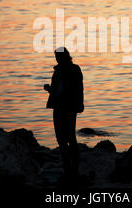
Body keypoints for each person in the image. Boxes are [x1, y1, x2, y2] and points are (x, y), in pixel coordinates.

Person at [44, 47, 84, 177]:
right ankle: (71, 167)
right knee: (66, 137)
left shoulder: (67, 70)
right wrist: (50, 89)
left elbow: (72, 90)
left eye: (57, 57)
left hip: (65, 107)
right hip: (65, 106)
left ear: (63, 57)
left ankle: (71, 168)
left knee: (65, 138)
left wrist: (50, 90)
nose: (56, 59)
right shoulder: (70, 70)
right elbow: (66, 90)